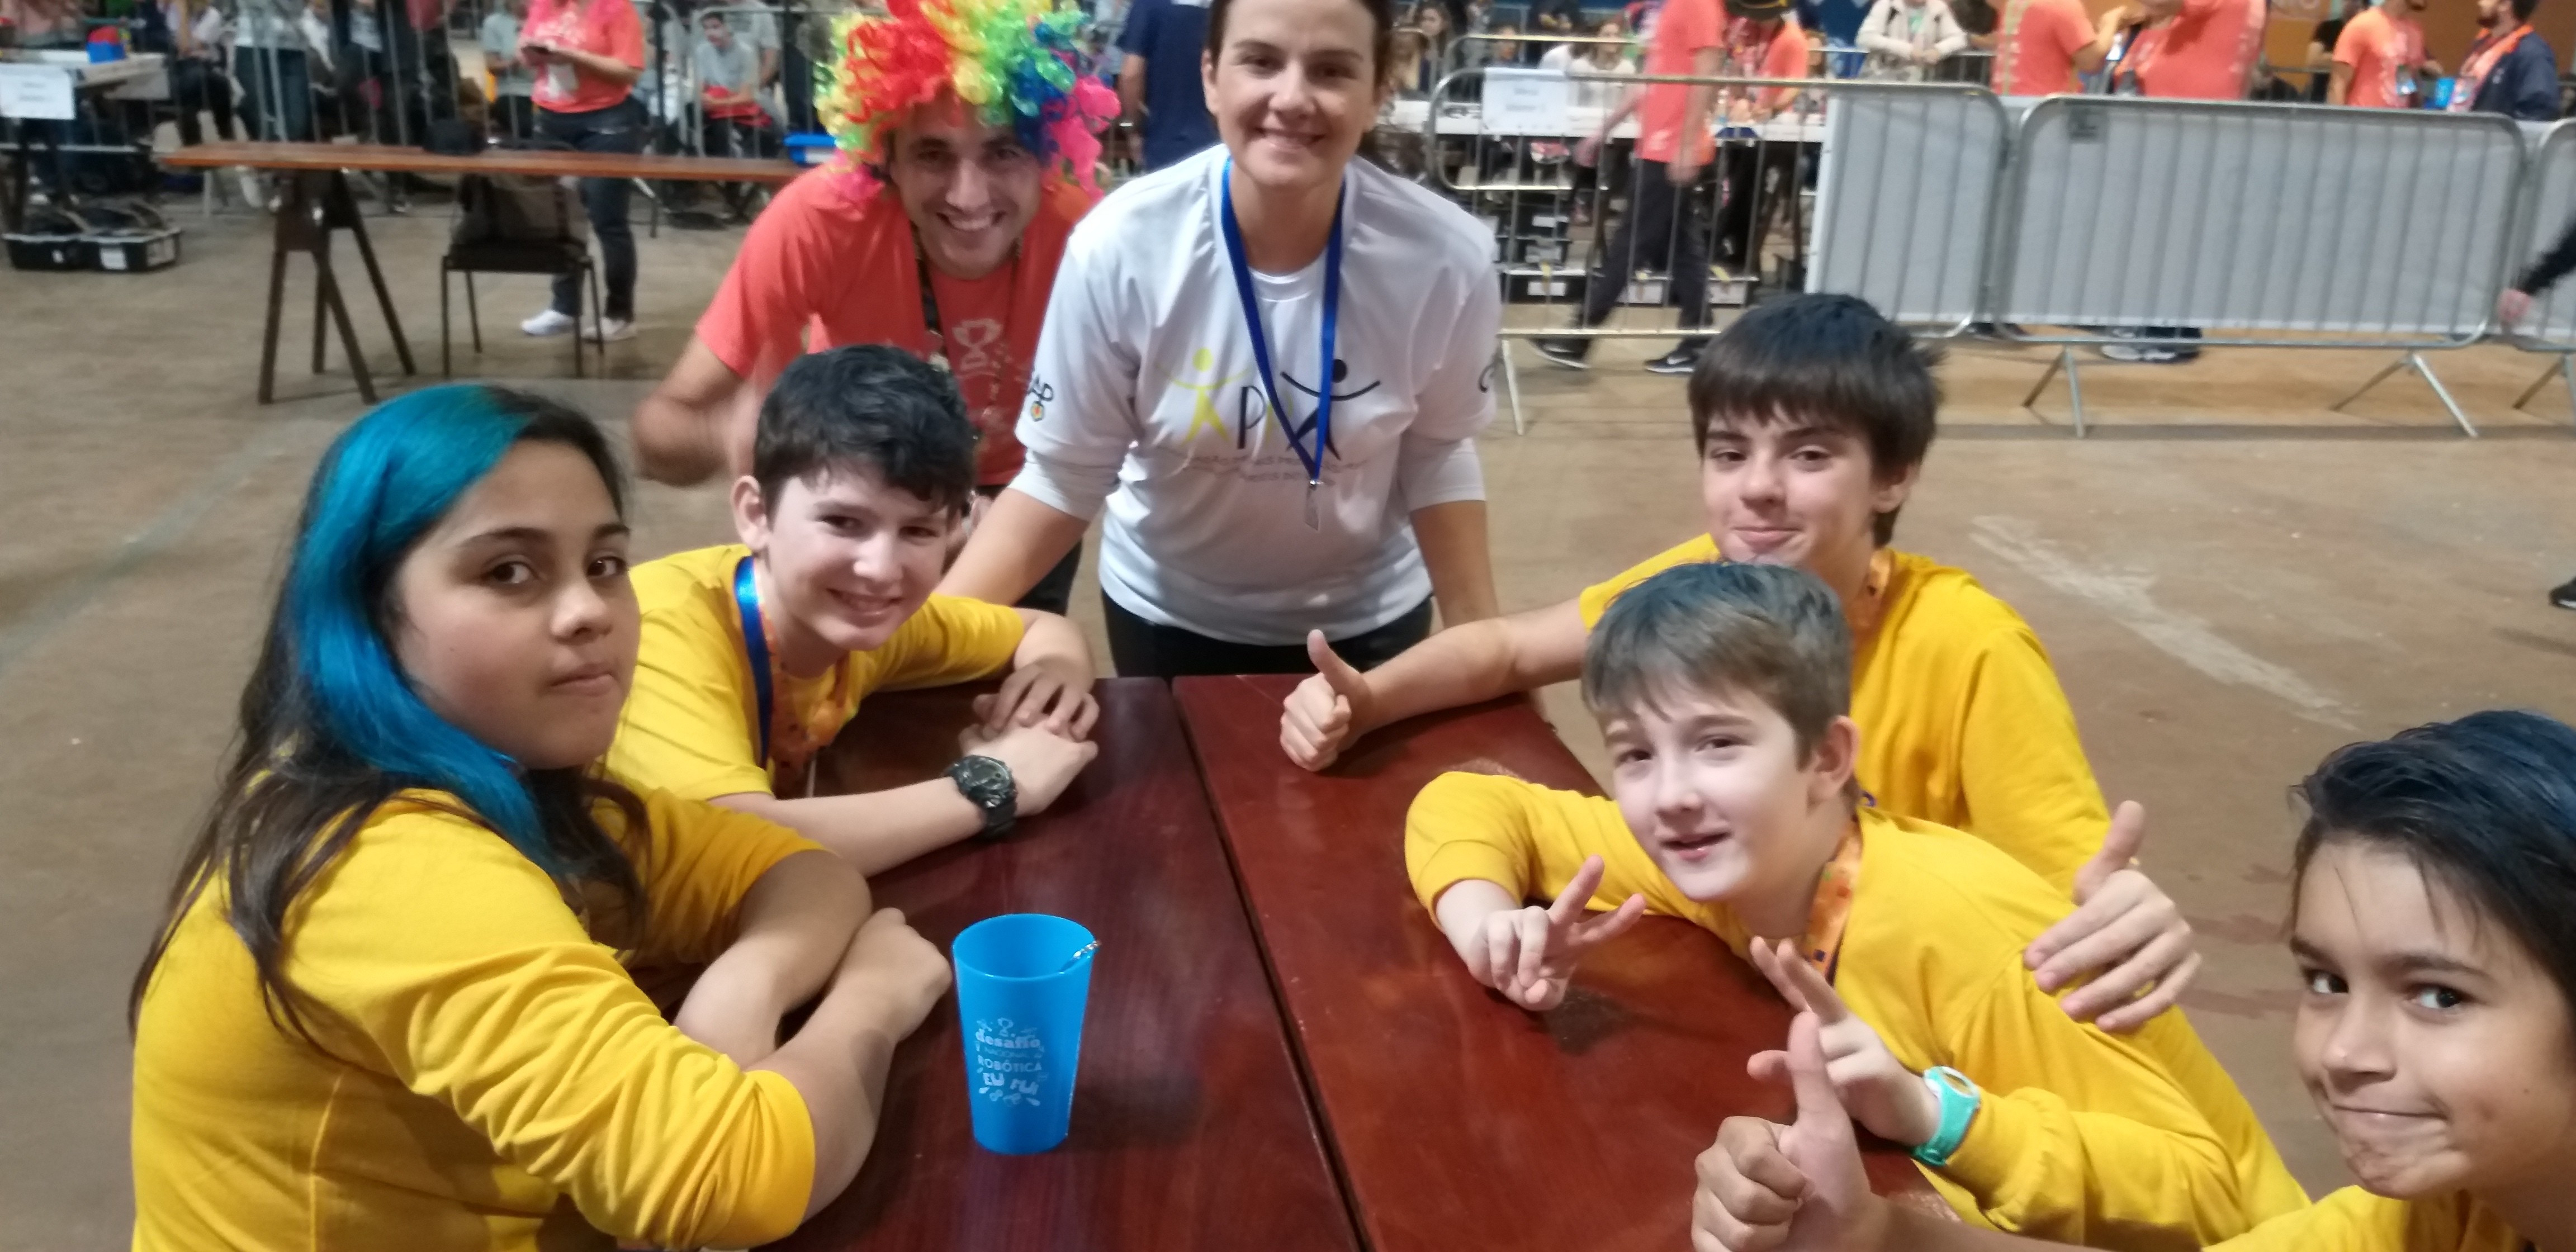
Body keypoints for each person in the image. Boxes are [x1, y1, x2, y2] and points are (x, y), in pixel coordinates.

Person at [127, 385, 953, 1250]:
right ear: (369, 613)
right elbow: (729, 1179)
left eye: (604, 564)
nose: (589, 610)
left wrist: (745, 985)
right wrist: (874, 1000)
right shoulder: (383, 861)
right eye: (508, 573)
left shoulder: (513, 779)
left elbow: (793, 868)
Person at [1284, 295, 2204, 1026]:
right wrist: (1368, 700)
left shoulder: (1971, 647)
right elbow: (1510, 647)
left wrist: (2126, 915)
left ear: (1893, 476)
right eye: (1729, 452)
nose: (1757, 488)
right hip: (1748, 984)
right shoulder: (1707, 585)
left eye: (1809, 455)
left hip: (1910, 1027)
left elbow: (2074, 894)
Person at [1409, 562, 2305, 1245]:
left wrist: (1933, 1115)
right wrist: (1488, 925)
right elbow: (1469, 800)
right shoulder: (1711, 854)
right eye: (1635, 753)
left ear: (1829, 759)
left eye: (1719, 744)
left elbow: (2210, 1192)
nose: (1671, 794)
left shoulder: (1962, 931)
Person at [1691, 709, 2576, 1252]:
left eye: (2438, 996)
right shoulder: (2453, 1213)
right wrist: (1873, 1234)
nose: (2345, 1053)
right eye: (2326, 981)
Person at [936, 0, 1506, 679]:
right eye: (1260, 61)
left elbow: (1438, 451)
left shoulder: (1446, 258)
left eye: (1331, 70)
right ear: (1211, 76)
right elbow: (1065, 474)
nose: (1291, 98)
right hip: (1169, 619)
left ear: (1379, 91)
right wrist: (912, 645)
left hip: (1370, 621)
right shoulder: (1122, 246)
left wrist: (1488, 652)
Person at [628, 0, 1115, 616]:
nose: (969, 197)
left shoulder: (1087, 238)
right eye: (933, 154)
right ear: (887, 157)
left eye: (1003, 152)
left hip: (1024, 499)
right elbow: (657, 432)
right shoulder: (820, 223)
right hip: (859, 495)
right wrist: (732, 434)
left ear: (1046, 154)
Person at [608, 347, 1098, 876]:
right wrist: (996, 783)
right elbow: (732, 849)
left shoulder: (873, 622)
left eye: (918, 531)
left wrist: (1053, 685)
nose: (881, 570)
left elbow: (1044, 630)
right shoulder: (659, 631)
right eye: (843, 522)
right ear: (756, 514)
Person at [1534, 0, 1805, 375]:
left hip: (1670, 146)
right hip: (1662, 143)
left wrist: (1686, 144)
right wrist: (1604, 130)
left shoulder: (1700, 7)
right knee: (1682, 247)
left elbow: (1705, 76)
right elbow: (1651, 77)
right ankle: (1697, 340)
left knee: (1634, 241)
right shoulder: (1681, 8)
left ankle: (1580, 334)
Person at [2097, 0, 2262, 363]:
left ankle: (2166, 333)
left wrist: (2118, 16)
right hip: (2190, 126)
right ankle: (2159, 327)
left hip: (2189, 127)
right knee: (2174, 232)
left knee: (2174, 234)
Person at [516, 0, 648, 343]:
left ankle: (620, 313)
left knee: (608, 219)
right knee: (558, 216)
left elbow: (628, 71)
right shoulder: (544, 5)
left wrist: (574, 57)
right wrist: (531, 54)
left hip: (607, 121)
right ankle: (564, 306)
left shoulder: (617, 9)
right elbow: (525, 55)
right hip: (552, 117)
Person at [1117, 0, 1222, 170]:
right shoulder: (1229, 7)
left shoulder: (1148, 5)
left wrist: (1132, 128)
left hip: (1165, 142)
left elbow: (1131, 74)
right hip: (1221, 142)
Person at [1987, 0, 2127, 95]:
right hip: (2045, 111)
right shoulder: (2061, 4)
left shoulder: (2014, 4)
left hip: (2006, 105)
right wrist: (2110, 23)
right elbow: (2091, 61)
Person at [695, 9, 779, 156]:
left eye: (715, 27)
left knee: (721, 129)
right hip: (714, 106)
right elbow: (699, 89)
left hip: (738, 107)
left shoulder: (746, 53)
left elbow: (747, 97)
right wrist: (702, 98)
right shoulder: (702, 51)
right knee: (684, 119)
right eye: (706, 28)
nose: (710, 33)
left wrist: (716, 103)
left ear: (728, 26)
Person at [2453, 0, 2556, 120]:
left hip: (2491, 130)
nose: (2480, 3)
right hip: (2461, 127)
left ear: (2505, 4)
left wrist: (2500, 131)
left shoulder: (2534, 53)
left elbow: (2537, 113)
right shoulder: (2482, 44)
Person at [2329, 0, 2437, 108]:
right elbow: (2338, 85)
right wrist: (2336, 119)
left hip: (2397, 117)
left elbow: (2403, 79)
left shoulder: (2412, 31)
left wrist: (2414, 113)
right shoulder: (2364, 25)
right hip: (2363, 116)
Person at [1538, 15, 1636, 112]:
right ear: (1595, 40)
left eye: (1617, 35)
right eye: (1607, 35)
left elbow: (1630, 107)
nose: (1613, 40)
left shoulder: (1628, 68)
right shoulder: (1579, 67)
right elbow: (1571, 104)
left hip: (1617, 120)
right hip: (1584, 119)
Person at [1855, 0, 1967, 80]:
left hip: (1921, 84)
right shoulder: (1886, 5)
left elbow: (1960, 38)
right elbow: (1866, 37)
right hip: (1881, 81)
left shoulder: (1939, 8)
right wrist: (1907, 51)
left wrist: (1939, 51)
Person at [479, 0, 536, 139]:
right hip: (514, 91)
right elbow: (492, 66)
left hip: (550, 91)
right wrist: (516, 62)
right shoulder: (494, 23)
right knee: (525, 126)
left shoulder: (549, 20)